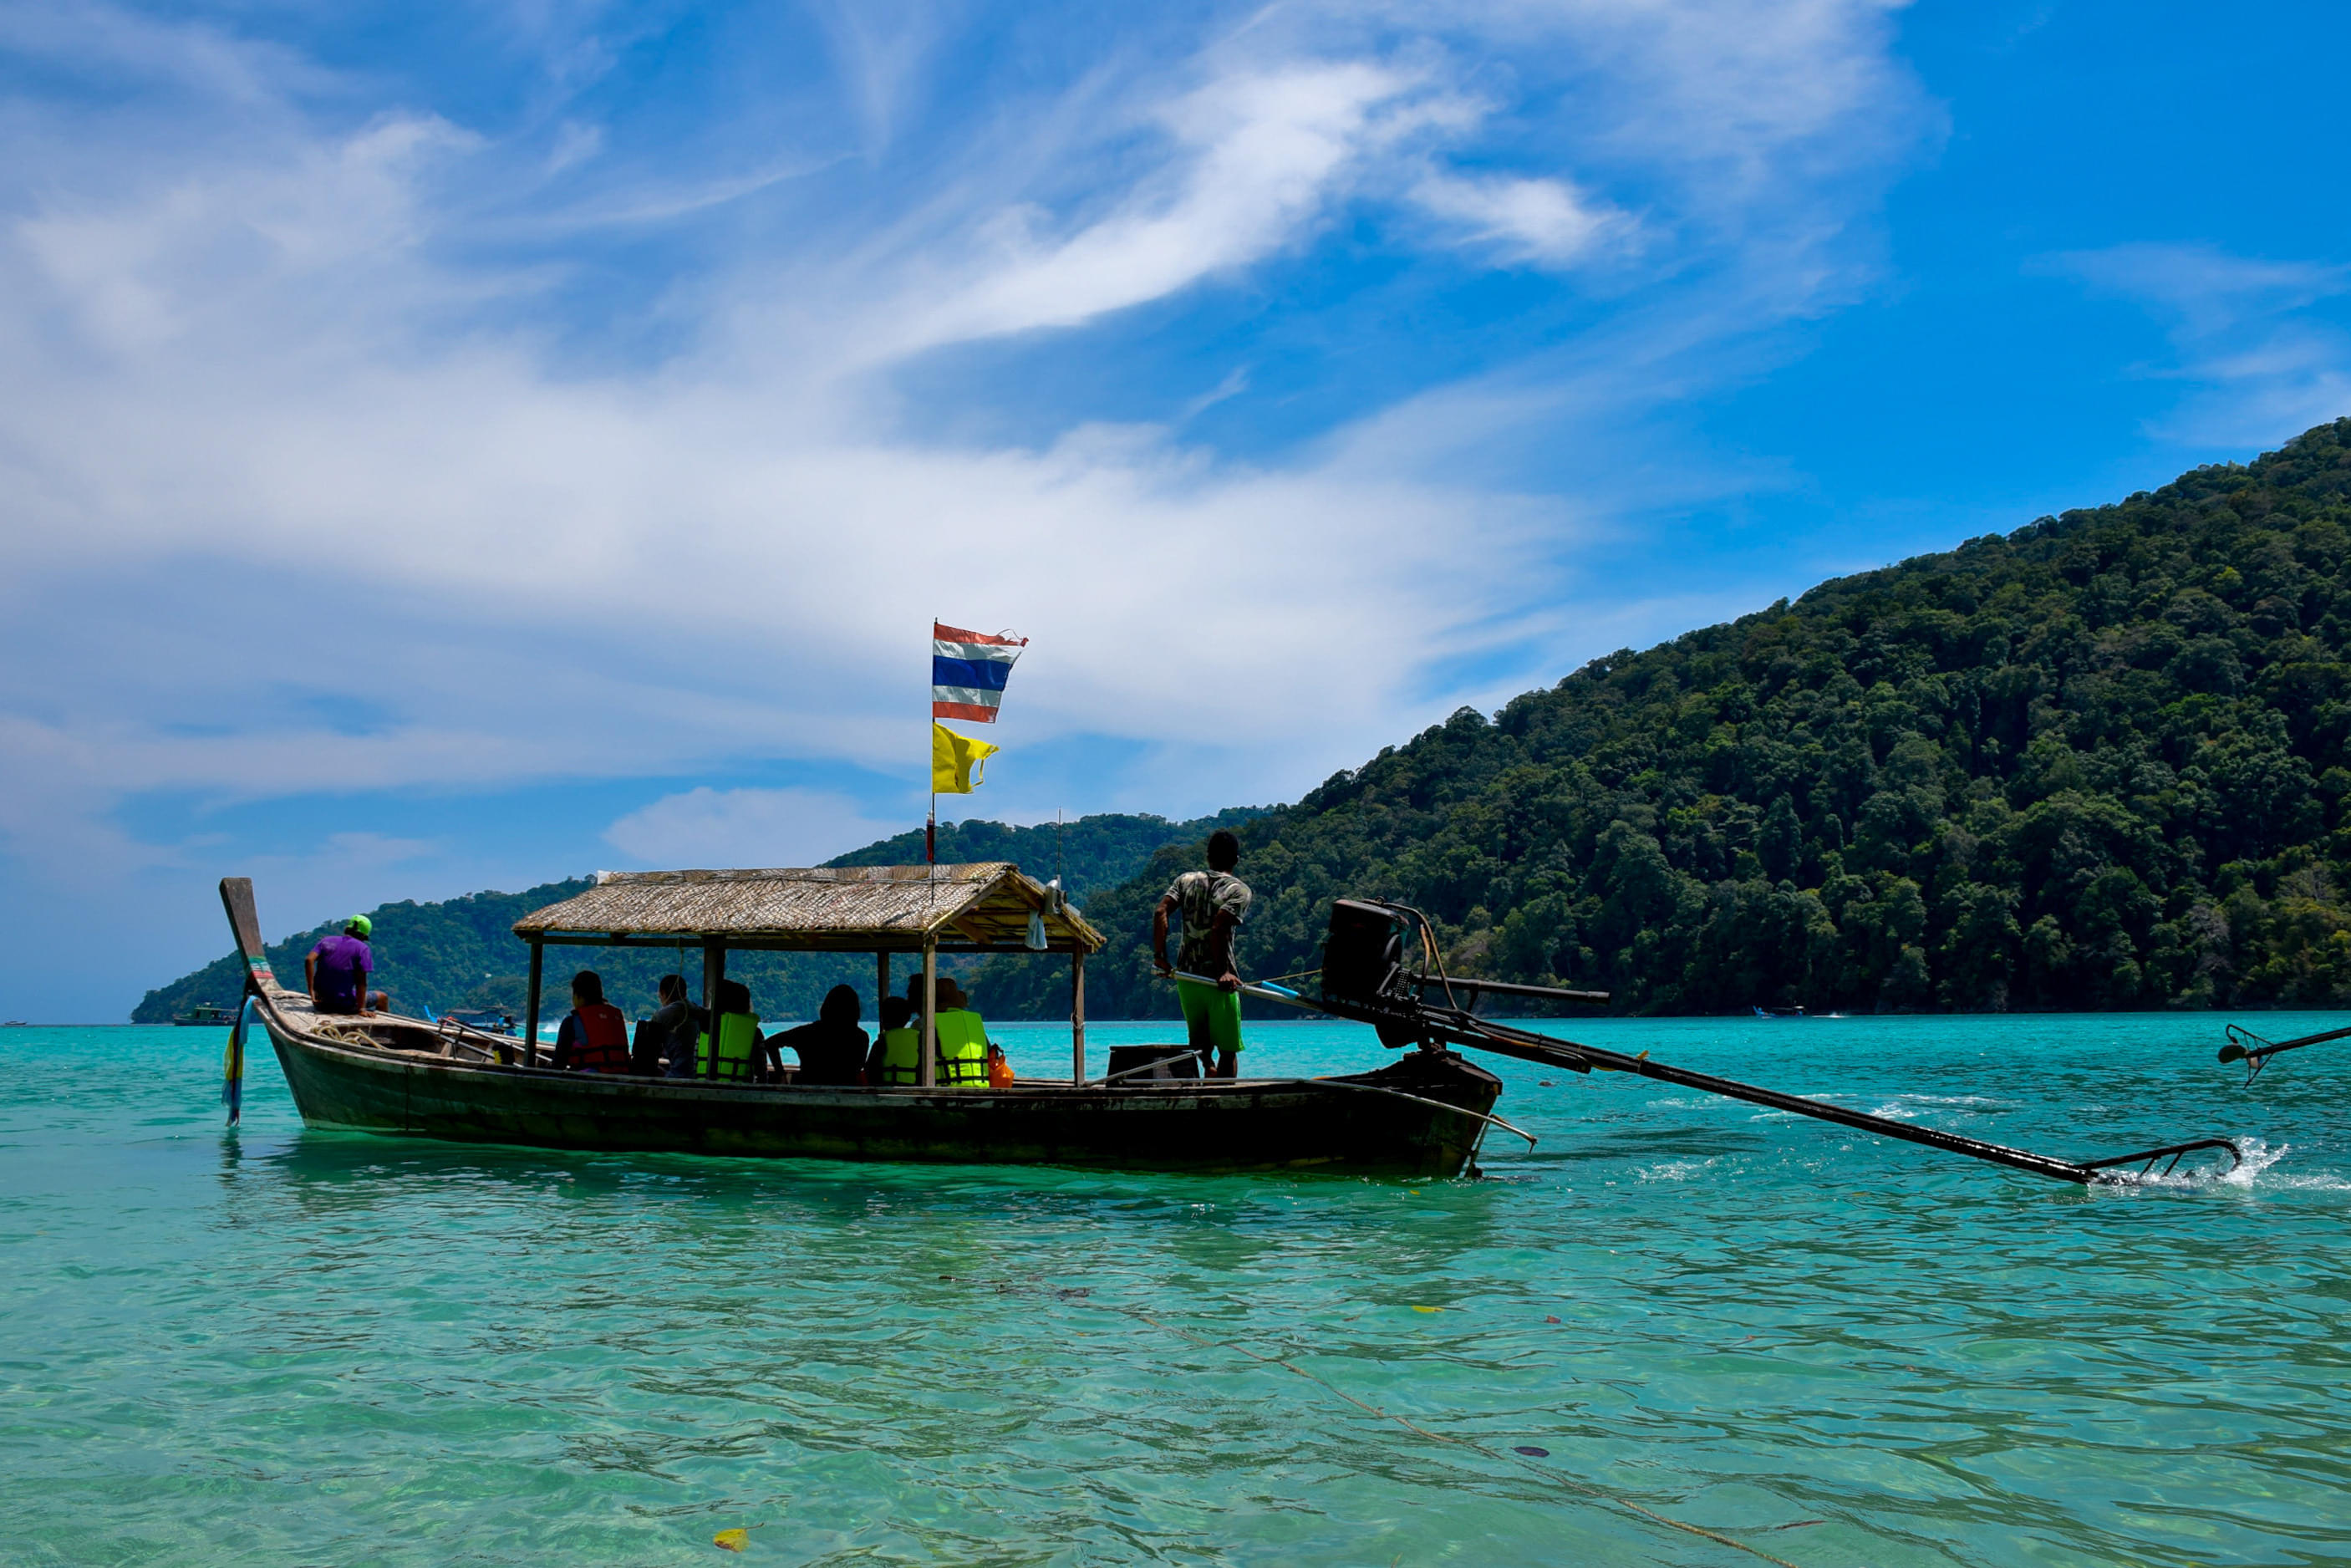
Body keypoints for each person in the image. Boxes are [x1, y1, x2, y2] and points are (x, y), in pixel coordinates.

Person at [1153, 828, 1249, 1079]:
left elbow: (1160, 912)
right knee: (1228, 1050)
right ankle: (1223, 1100)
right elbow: (1219, 928)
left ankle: (1208, 1070)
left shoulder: (1185, 881)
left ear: (1208, 856)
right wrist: (1224, 972)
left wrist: (1160, 956)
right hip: (1219, 982)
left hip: (1187, 977)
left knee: (1200, 1045)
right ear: (1236, 859)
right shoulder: (1239, 890)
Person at [767, 985, 869, 1087]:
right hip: (847, 1097)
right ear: (855, 1010)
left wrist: (781, 1075)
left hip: (809, 1095)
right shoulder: (861, 1038)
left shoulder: (806, 1033)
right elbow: (857, 1068)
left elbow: (771, 1042)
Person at [307, 915, 390, 1016]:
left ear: (347, 929)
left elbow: (309, 959)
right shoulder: (362, 949)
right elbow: (361, 983)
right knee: (382, 997)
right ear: (363, 936)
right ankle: (381, 1030)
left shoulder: (326, 941)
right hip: (344, 1005)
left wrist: (311, 991)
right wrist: (361, 1009)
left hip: (321, 1002)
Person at [552, 970, 631, 1073]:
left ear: (578, 996)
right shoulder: (617, 1018)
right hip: (621, 1078)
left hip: (587, 1082)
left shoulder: (571, 1022)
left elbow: (558, 1064)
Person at [695, 978, 766, 1083]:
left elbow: (692, 1065)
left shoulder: (702, 1028)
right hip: (741, 1093)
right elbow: (762, 1073)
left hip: (702, 1090)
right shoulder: (755, 1034)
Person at [634, 974, 702, 1077]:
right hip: (701, 1076)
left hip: (679, 1076)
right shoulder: (700, 1012)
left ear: (663, 994)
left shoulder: (662, 1015)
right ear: (685, 993)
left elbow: (645, 1057)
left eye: (660, 997)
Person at [929, 976, 992, 1088]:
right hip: (982, 1086)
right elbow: (990, 1051)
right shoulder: (974, 1020)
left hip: (946, 1088)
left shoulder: (932, 1022)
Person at [869, 996, 918, 1085]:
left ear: (883, 1018)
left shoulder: (882, 1042)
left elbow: (870, 1070)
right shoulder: (918, 1037)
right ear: (907, 1018)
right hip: (915, 1087)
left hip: (887, 1089)